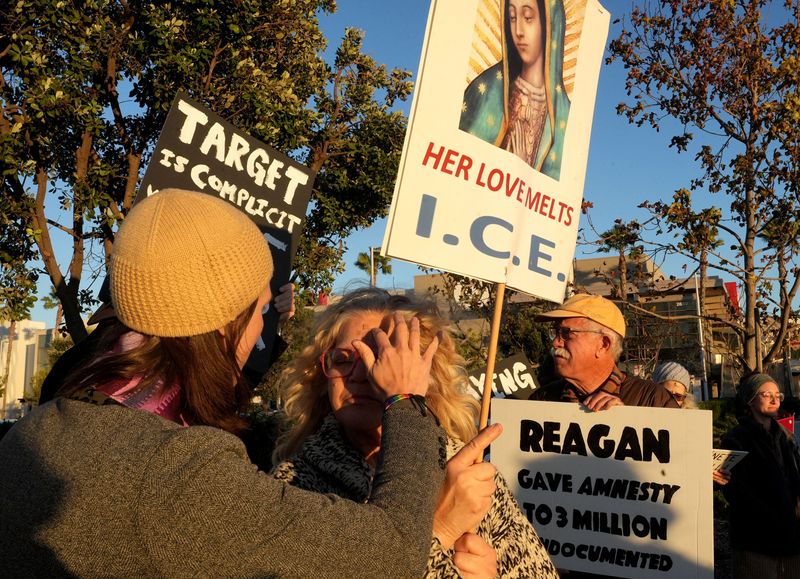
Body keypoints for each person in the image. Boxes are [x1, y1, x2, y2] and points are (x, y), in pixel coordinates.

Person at [0, 188, 473, 578]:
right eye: (261, 310)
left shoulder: (37, 431)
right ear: (227, 326)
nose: (261, 329)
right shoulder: (180, 475)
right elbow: (391, 553)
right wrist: (405, 400)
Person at [272, 287, 559, 579]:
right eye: (344, 359)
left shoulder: (467, 474)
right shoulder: (293, 484)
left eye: (381, 359)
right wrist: (439, 533)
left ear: (424, 375)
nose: (358, 375)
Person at [458, 0, 570, 179]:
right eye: (512, 18)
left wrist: (522, 167)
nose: (518, 30)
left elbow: (556, 183)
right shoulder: (487, 88)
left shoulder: (563, 115)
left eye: (528, 17)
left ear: (549, 24)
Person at [714, 373, 800, 577]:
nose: (774, 400)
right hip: (756, 543)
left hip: (792, 538)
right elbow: (732, 488)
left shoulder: (785, 436)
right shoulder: (737, 439)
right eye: (767, 394)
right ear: (750, 400)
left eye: (778, 395)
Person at [529, 293, 678, 409]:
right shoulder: (542, 400)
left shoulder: (653, 400)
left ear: (603, 344)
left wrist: (628, 421)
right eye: (555, 332)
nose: (556, 342)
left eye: (566, 333)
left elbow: (683, 440)